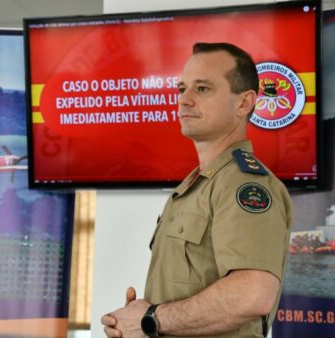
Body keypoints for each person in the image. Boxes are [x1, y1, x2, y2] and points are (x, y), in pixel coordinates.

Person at [101, 42, 294, 338]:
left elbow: (252, 294)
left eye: (202, 89)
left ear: (244, 103)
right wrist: (134, 321)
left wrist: (151, 319)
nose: (184, 100)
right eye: (181, 89)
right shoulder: (194, 187)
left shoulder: (245, 184)